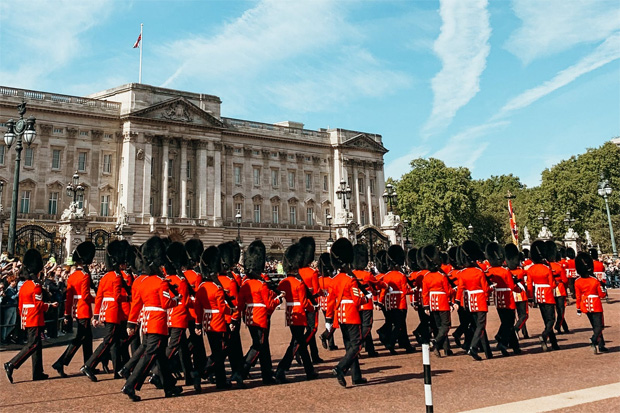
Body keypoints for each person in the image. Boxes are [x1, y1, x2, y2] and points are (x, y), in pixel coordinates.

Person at [121, 236, 182, 402]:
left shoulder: (142, 282)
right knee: (149, 355)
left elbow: (136, 305)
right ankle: (130, 385)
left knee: (161, 357)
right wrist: (177, 299)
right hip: (157, 322)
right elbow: (166, 303)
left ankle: (169, 386)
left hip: (146, 322)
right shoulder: (160, 282)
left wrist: (131, 323)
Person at [230, 240, 283, 386]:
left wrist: (235, 319)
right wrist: (279, 300)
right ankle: (241, 371)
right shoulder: (261, 284)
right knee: (259, 345)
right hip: (261, 317)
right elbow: (269, 305)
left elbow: (240, 304)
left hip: (249, 317)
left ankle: (266, 374)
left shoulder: (245, 283)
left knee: (263, 346)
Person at [4, 249, 58, 383]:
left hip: (27, 317)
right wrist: (50, 305)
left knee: (37, 345)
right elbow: (39, 305)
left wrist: (22, 319)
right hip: (34, 318)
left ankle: (37, 372)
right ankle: (11, 364)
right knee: (32, 345)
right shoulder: (35, 286)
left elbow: (20, 305)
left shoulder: (24, 285)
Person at [78, 240, 127, 381]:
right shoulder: (117, 278)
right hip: (112, 312)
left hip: (106, 311)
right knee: (108, 341)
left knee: (115, 343)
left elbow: (99, 296)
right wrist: (128, 297)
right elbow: (117, 297)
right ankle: (88, 365)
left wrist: (97, 314)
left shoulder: (105, 276)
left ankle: (118, 370)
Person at [326, 238, 372, 387]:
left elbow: (330, 302)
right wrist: (366, 298)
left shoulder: (334, 280)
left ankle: (356, 376)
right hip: (351, 314)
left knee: (349, 346)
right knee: (357, 345)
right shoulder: (350, 280)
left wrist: (328, 320)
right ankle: (340, 368)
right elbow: (357, 300)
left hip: (340, 316)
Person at [274, 243, 318, 383]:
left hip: (290, 313)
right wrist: (313, 308)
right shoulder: (298, 284)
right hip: (299, 314)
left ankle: (309, 371)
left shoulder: (284, 282)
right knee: (297, 343)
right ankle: (281, 369)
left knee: (300, 343)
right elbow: (304, 303)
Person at [52, 241, 96, 378]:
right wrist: (98, 298)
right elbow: (86, 296)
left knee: (87, 338)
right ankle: (61, 362)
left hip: (76, 310)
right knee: (80, 339)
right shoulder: (84, 276)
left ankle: (89, 364)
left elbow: (69, 298)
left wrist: (67, 314)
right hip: (84, 310)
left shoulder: (72, 276)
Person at [194, 246, 233, 389]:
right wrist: (232, 311)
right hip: (217, 322)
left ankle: (208, 375)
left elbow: (198, 308)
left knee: (216, 351)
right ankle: (216, 379)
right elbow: (222, 308)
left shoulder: (201, 287)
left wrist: (198, 324)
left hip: (206, 322)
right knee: (219, 353)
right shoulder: (217, 289)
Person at [455, 241, 492, 361]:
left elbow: (460, 288)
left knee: (476, 325)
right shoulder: (479, 272)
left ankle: (486, 351)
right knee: (481, 325)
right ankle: (473, 347)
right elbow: (485, 288)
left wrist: (457, 301)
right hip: (480, 300)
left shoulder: (462, 273)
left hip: (469, 302)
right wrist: (490, 291)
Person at [485, 242, 520, 356]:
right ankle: (501, 340)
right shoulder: (505, 271)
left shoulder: (489, 271)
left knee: (505, 321)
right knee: (509, 322)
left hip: (497, 298)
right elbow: (511, 286)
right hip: (507, 298)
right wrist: (518, 287)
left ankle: (515, 347)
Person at [380, 245, 415, 354]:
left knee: (397, 324)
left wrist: (380, 301)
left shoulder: (386, 275)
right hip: (400, 303)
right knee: (399, 325)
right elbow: (405, 290)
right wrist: (414, 290)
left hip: (390, 303)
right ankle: (390, 342)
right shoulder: (401, 276)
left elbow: (383, 290)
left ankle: (405, 344)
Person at [421, 245, 453, 357]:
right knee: (446, 325)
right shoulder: (441, 276)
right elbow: (448, 291)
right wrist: (451, 302)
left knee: (439, 326)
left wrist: (426, 306)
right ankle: (436, 341)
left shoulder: (426, 276)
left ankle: (446, 349)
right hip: (442, 301)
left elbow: (424, 293)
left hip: (432, 302)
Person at [526, 240, 559, 351]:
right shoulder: (547, 269)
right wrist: (557, 283)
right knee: (551, 320)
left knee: (546, 320)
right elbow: (552, 285)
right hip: (548, 295)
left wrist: (530, 298)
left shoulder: (530, 269)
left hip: (538, 295)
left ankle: (553, 344)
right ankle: (544, 335)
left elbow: (529, 285)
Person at [574, 252, 608, 353]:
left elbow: (578, 296)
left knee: (594, 325)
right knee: (600, 326)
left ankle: (601, 345)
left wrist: (578, 308)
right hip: (595, 304)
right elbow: (602, 295)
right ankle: (593, 340)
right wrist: (603, 290)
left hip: (585, 305)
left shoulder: (577, 281)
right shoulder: (594, 280)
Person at [297, 237, 323, 364]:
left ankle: (314, 355)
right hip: (312, 304)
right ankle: (299, 349)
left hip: (301, 304)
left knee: (306, 329)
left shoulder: (298, 272)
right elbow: (317, 290)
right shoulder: (313, 272)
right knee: (312, 329)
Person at [351, 244, 379, 357]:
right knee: (367, 326)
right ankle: (357, 346)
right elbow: (376, 285)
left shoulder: (351, 275)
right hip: (366, 303)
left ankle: (370, 349)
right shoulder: (367, 275)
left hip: (356, 303)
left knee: (360, 326)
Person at [1, 275, 19, 343]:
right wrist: (18, 294)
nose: (15, 282)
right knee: (6, 323)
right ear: (10, 282)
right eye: (13, 281)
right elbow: (11, 298)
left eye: (15, 281)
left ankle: (5, 336)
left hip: (14, 307)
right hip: (9, 307)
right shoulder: (8, 290)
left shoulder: (13, 289)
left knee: (12, 324)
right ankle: (3, 338)